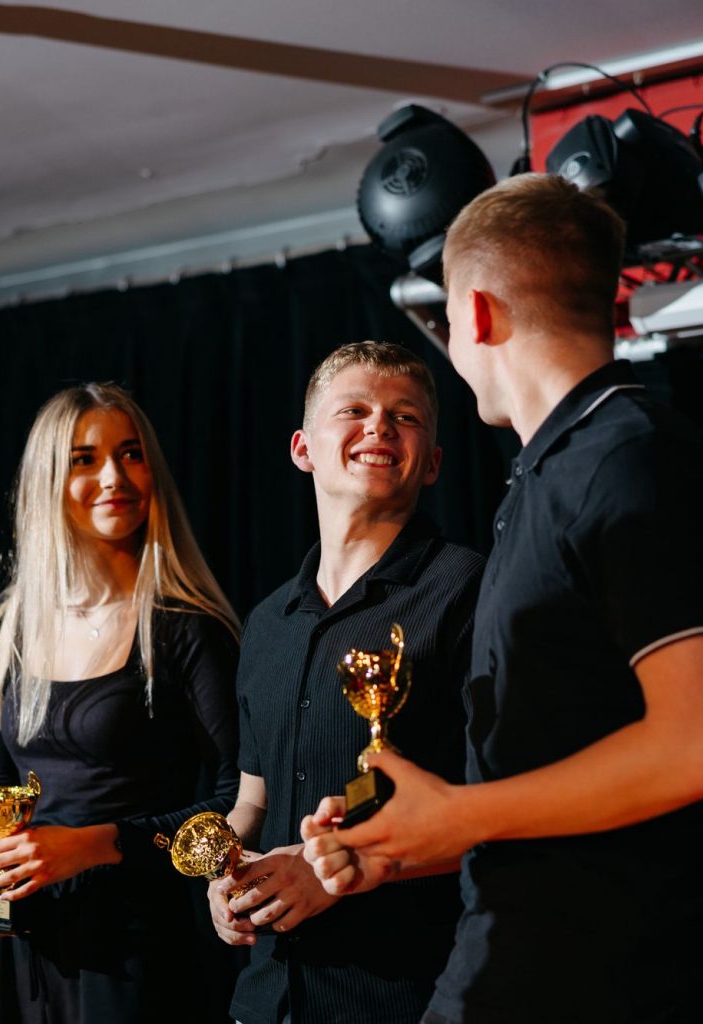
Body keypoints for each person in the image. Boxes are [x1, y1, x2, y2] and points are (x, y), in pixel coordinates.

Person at [303, 174, 703, 1023]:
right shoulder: (555, 470)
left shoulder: (631, 458)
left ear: (475, 314)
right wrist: (405, 840)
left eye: (444, 321)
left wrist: (458, 814)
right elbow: (557, 755)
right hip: (521, 957)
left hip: (611, 978)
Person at [212, 341, 485, 1024]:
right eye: (354, 410)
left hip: (410, 997)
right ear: (303, 449)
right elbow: (252, 801)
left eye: (405, 417)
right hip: (268, 998)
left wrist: (335, 866)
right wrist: (226, 871)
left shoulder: (471, 592)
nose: (380, 426)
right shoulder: (268, 621)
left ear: (433, 463)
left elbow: (504, 810)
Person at [0, 383, 242, 1023]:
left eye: (131, 454)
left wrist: (98, 845)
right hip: (20, 944)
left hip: (135, 948)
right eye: (84, 459)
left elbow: (240, 801)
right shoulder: (5, 627)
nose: (114, 476)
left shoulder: (187, 627)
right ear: (47, 481)